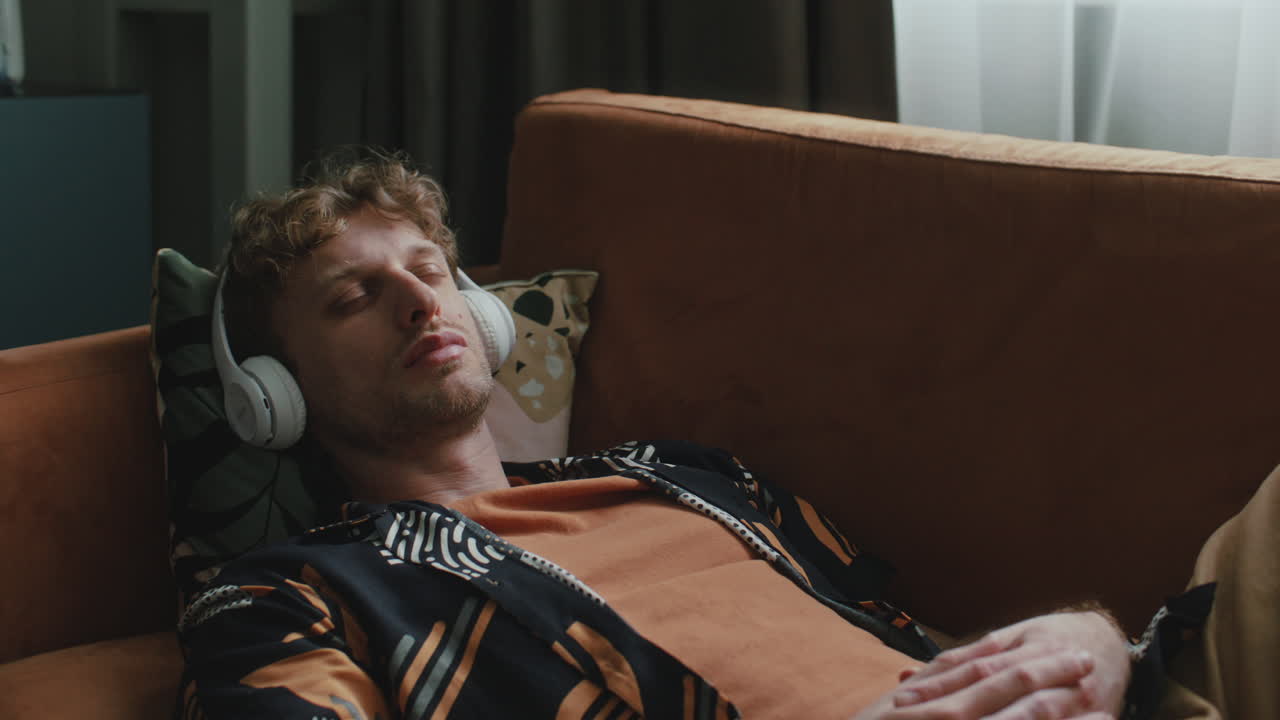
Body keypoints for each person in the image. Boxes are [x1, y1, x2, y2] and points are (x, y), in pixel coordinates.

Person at [178, 152, 1270, 720]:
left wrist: (1090, 643)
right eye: (353, 299)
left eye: (428, 271)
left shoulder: (685, 476)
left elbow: (913, 640)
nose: (419, 304)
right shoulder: (298, 592)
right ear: (269, 392)